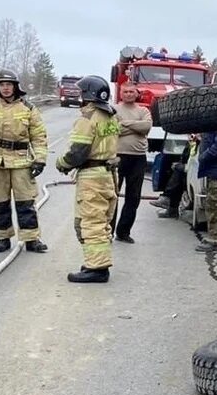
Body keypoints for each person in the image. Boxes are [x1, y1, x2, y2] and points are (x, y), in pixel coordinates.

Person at [56, 75, 120, 283]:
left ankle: (97, 268)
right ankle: (95, 260)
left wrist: (62, 164)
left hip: (91, 176)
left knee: (91, 221)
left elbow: (78, 152)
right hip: (107, 175)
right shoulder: (111, 116)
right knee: (101, 221)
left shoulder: (88, 118)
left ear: (87, 95)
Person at [0, 68, 49, 254]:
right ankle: (3, 238)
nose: (5, 88)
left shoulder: (28, 108)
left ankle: (31, 240)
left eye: (8, 85)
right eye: (1, 85)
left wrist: (40, 160)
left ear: (15, 86)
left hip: (21, 163)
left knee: (26, 202)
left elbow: (39, 136)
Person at [113, 83, 152, 243]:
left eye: (131, 92)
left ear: (137, 94)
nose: (128, 94)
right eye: (125, 91)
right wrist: (136, 126)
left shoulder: (143, 110)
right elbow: (114, 129)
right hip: (117, 157)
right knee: (112, 195)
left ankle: (123, 232)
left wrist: (124, 123)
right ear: (121, 94)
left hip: (138, 158)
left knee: (133, 197)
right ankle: (107, 230)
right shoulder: (113, 110)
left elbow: (147, 127)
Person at [196, 129, 217, 252]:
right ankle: (215, 237)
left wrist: (204, 156)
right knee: (213, 205)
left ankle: (216, 240)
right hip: (215, 171)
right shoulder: (211, 124)